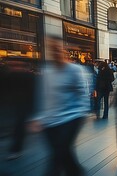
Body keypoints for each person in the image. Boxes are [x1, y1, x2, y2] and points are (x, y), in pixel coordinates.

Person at [29, 36, 90, 176]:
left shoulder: (75, 70)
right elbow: (43, 96)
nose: (55, 53)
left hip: (72, 117)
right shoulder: (47, 72)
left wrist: (83, 113)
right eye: (52, 50)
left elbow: (83, 94)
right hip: (51, 120)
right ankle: (76, 172)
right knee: (63, 151)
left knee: (58, 153)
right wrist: (38, 117)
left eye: (57, 49)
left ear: (64, 51)